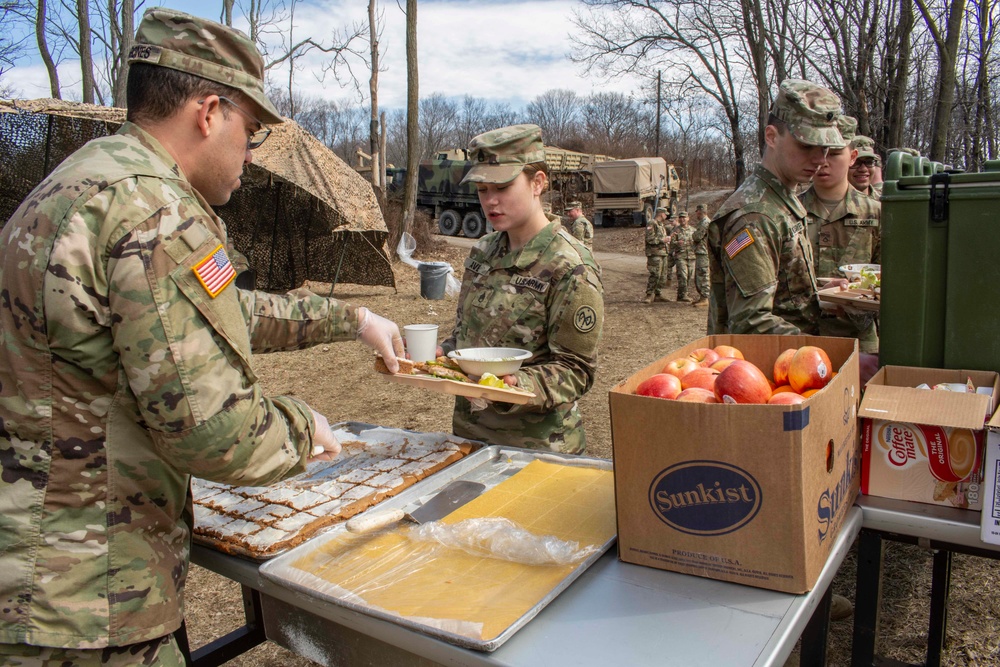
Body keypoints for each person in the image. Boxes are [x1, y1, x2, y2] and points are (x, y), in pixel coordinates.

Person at [0, 8, 405, 663]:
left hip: (33, 580)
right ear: (208, 112)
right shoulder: (157, 214)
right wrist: (303, 427)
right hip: (91, 602)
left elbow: (208, 315)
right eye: (250, 131)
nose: (250, 154)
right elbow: (216, 430)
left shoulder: (80, 185)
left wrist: (350, 318)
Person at [439, 124, 604, 454]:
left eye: (501, 186)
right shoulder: (482, 252)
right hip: (471, 440)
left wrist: (514, 385)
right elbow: (467, 335)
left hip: (540, 449)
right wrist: (442, 353)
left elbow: (576, 370)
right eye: (483, 189)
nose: (490, 200)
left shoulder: (570, 265)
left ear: (538, 183)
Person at [711, 78, 846, 336]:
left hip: (792, 365)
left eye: (826, 147)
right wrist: (829, 355)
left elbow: (781, 290)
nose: (820, 159)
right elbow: (751, 323)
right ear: (772, 137)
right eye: (806, 145)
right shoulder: (755, 215)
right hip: (769, 369)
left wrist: (822, 292)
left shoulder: (782, 198)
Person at [800, 115, 881, 353]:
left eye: (834, 153)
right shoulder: (790, 212)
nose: (823, 162)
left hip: (859, 342)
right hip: (803, 339)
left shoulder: (876, 212)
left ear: (852, 157)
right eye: (817, 152)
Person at [644, 207, 672, 303]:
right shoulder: (652, 223)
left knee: (663, 276)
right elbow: (649, 238)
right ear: (661, 214)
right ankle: (649, 295)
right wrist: (662, 240)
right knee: (655, 274)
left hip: (663, 253)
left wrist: (667, 239)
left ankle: (658, 294)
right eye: (665, 214)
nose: (666, 216)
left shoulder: (661, 225)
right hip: (655, 253)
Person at [669, 211, 696, 302]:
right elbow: (671, 243)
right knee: (683, 276)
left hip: (691, 256)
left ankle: (682, 294)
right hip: (680, 256)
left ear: (688, 218)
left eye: (684, 217)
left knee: (689, 276)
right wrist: (677, 243)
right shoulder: (675, 230)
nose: (682, 219)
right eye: (680, 217)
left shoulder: (693, 230)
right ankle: (683, 295)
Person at [690, 204, 711, 307]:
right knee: (699, 275)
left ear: (700, 211)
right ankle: (702, 297)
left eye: (697, 212)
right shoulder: (702, 222)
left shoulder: (705, 223)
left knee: (703, 274)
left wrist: (693, 235)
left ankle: (705, 298)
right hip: (701, 251)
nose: (696, 214)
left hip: (703, 252)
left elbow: (697, 237)